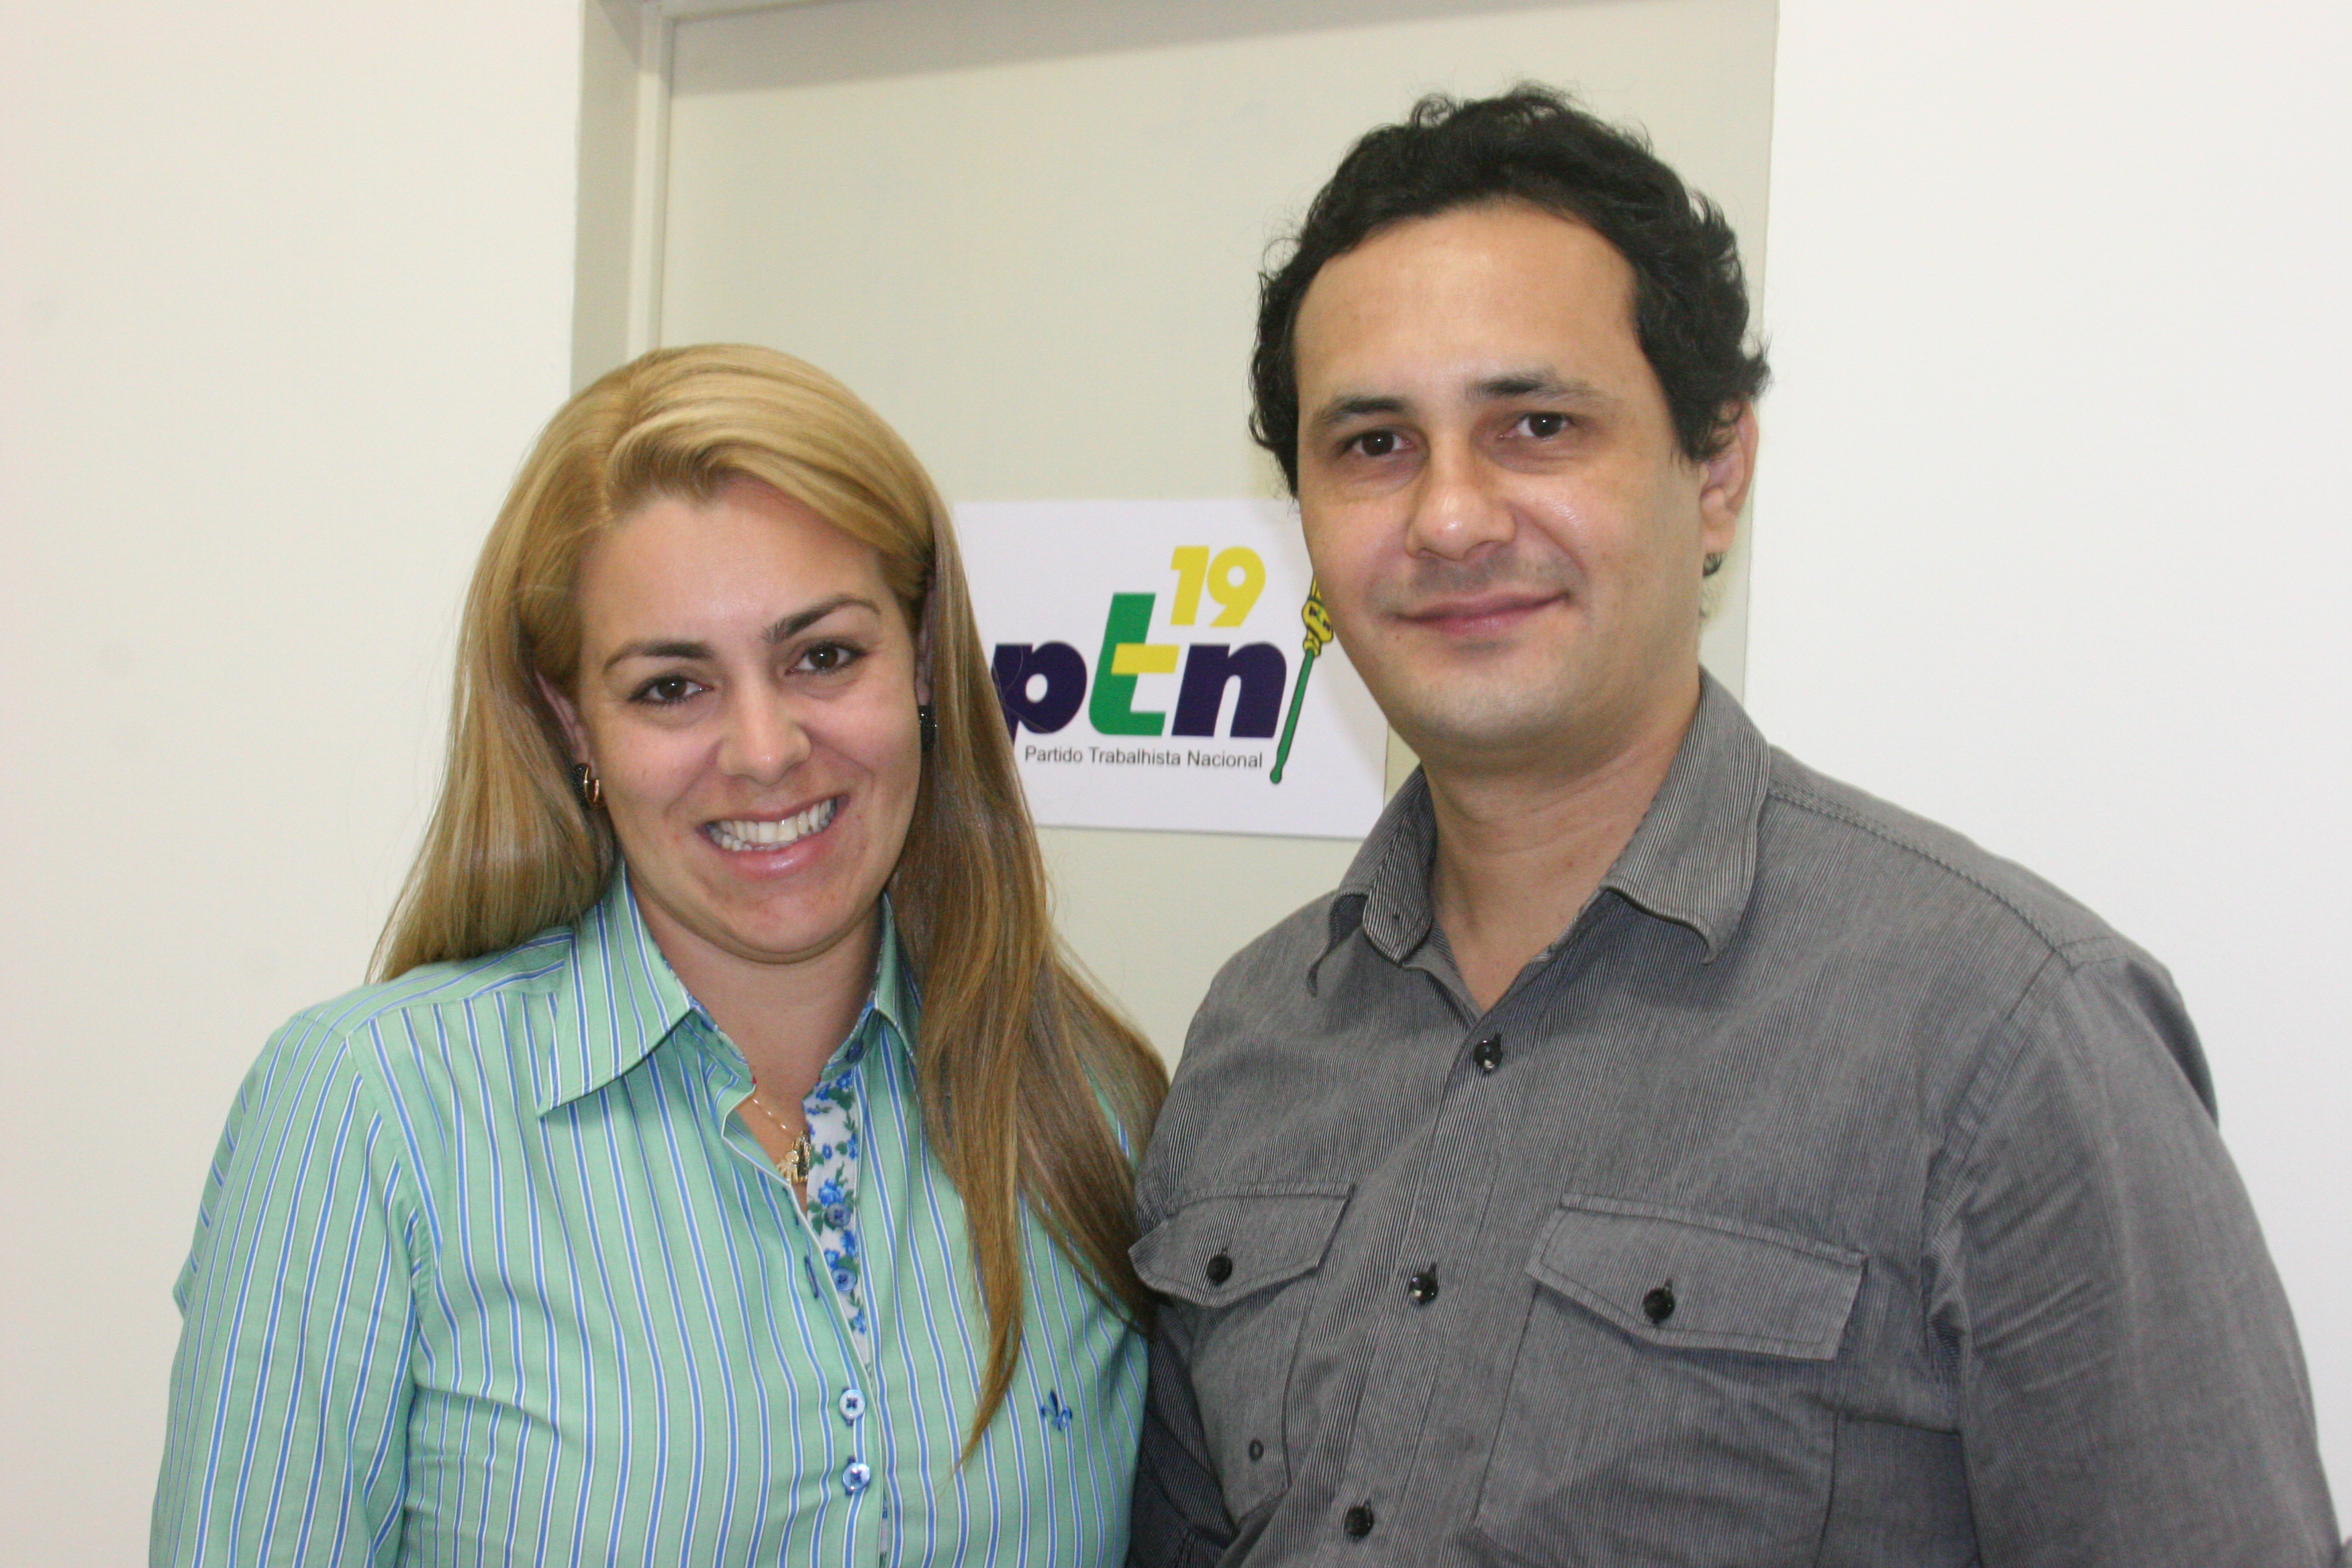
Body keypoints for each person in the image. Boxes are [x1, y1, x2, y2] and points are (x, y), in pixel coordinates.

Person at [1128, 89, 2342, 1567]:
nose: (1449, 517)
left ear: (1716, 474)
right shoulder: (1255, 1035)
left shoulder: (2011, 1039)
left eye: (1537, 426)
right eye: (1375, 444)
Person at [154, 344, 1167, 1565]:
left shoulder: (1092, 1115)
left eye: (824, 656)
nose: (765, 749)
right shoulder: (375, 1113)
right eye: (672, 687)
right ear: (573, 722)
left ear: (921, 663)